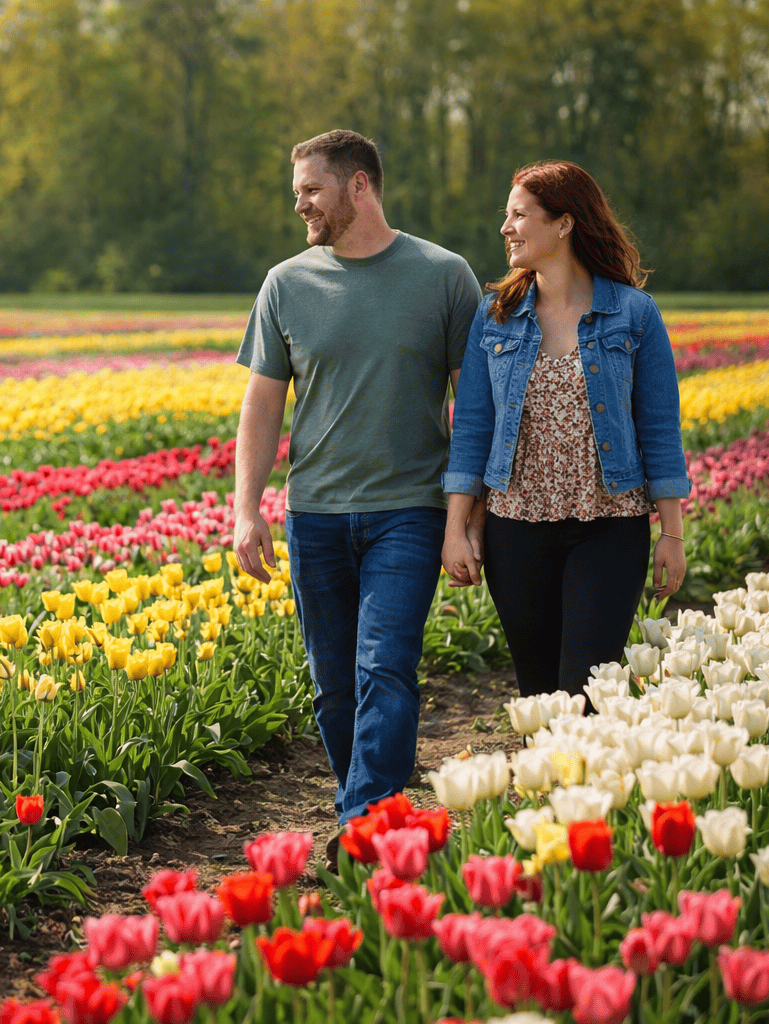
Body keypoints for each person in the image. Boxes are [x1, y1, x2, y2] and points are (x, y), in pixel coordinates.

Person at [232, 130, 481, 866]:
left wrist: (466, 518)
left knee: (386, 667)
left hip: (411, 510)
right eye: (298, 192)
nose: (300, 204)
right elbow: (262, 405)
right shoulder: (286, 283)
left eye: (312, 190)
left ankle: (365, 823)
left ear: (360, 185)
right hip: (314, 514)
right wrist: (246, 510)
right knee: (333, 689)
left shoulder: (444, 276)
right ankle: (371, 816)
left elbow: (475, 406)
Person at [441, 161, 689, 698]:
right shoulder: (497, 316)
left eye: (519, 215)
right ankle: (544, 786)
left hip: (609, 527)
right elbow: (473, 428)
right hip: (516, 529)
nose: (506, 227)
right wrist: (456, 528)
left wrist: (672, 533)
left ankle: (587, 784)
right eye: (506, 215)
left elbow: (660, 430)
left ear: (564, 224)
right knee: (538, 694)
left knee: (586, 693)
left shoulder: (634, 314)